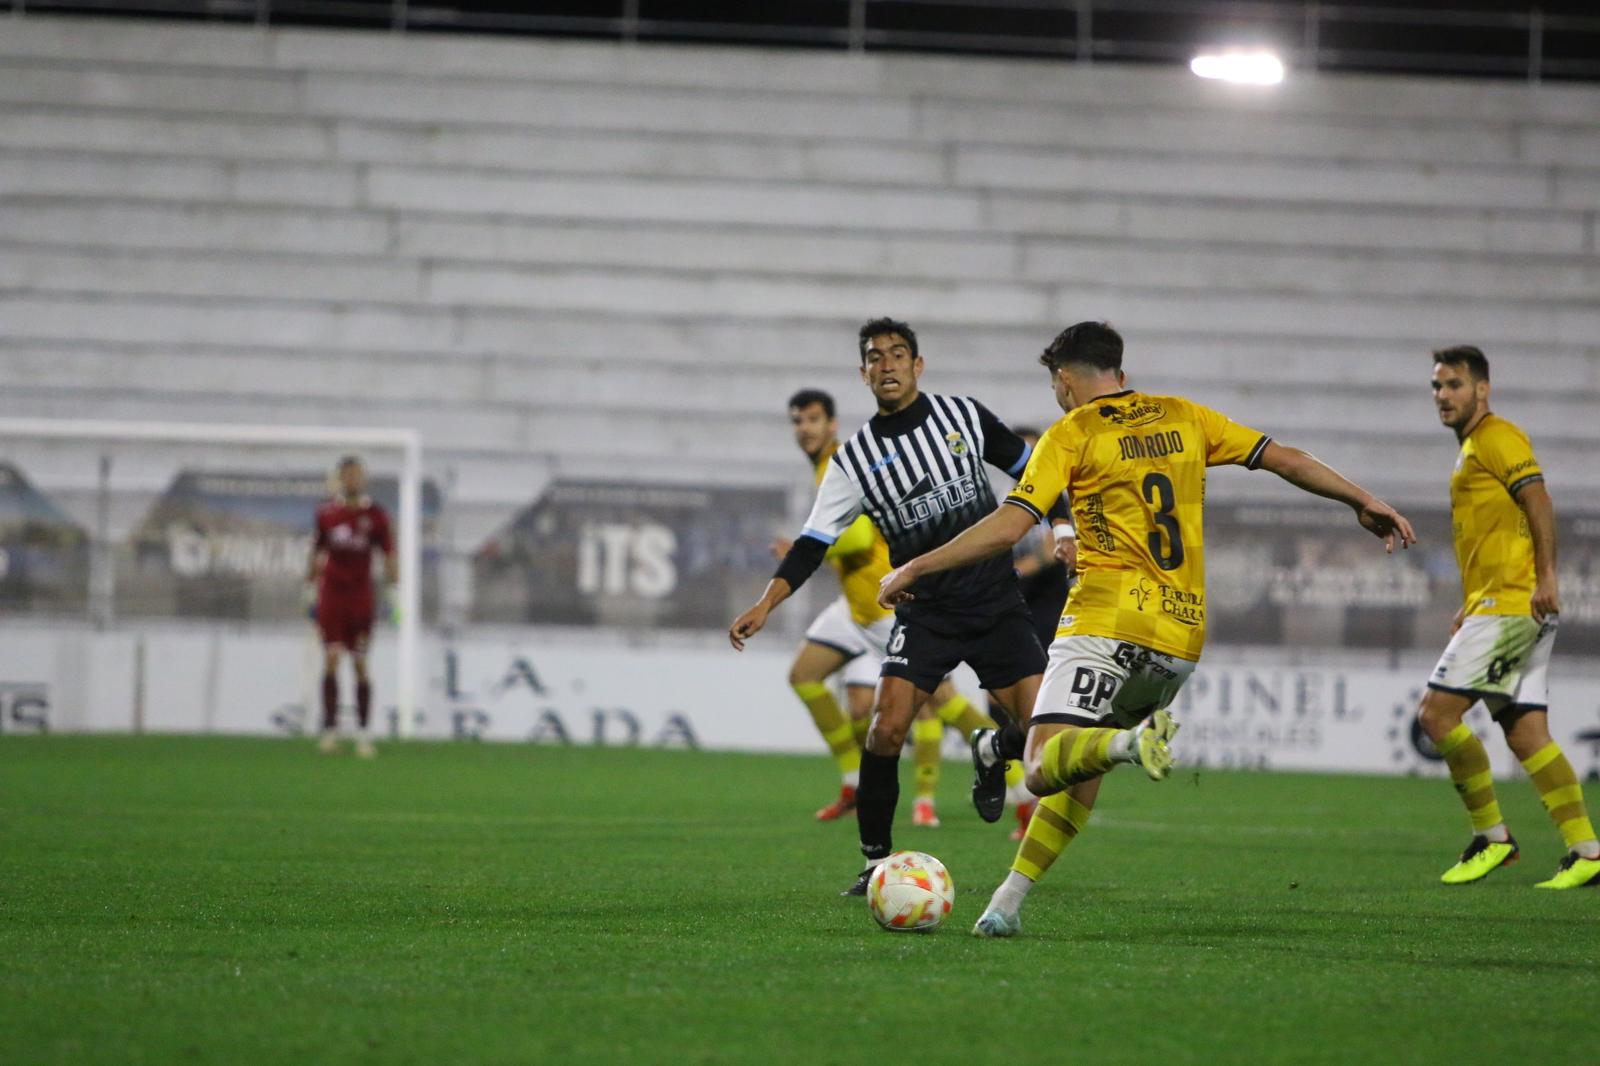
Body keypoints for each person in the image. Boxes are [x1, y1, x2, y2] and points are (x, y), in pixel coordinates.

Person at [877, 321, 1415, 935]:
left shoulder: (1072, 431)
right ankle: (1006, 904)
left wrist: (916, 565)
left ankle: (1130, 746)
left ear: (1063, 381)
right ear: (1121, 375)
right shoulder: (1186, 416)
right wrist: (1360, 500)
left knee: (1042, 764)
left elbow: (1007, 526)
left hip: (1106, 620)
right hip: (1180, 638)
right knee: (1083, 767)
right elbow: (1284, 458)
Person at [731, 317, 1045, 895]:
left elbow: (1037, 474)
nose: (888, 364)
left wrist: (1070, 531)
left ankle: (989, 747)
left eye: (898, 354)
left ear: (917, 365)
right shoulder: (854, 460)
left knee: (1038, 738)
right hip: (925, 611)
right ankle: (876, 860)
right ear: (864, 373)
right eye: (875, 357)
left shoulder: (965, 417)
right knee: (885, 728)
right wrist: (766, 601)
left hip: (996, 600)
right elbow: (811, 543)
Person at [1416, 346, 1598, 889]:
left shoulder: (1497, 436)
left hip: (1515, 605)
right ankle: (1587, 850)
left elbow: (1538, 501)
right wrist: (1473, 601)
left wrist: (1546, 578)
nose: (1443, 396)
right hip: (1504, 603)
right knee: (1527, 736)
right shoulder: (1474, 446)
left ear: (1482, 390)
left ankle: (1491, 836)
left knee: (1436, 716)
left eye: (1453, 385)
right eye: (1436, 386)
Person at [778, 388, 998, 825]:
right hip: (854, 608)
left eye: (813, 420)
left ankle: (1016, 775)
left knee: (943, 702)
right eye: (798, 421)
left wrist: (804, 549)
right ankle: (853, 783)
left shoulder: (838, 465)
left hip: (885, 606)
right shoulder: (825, 466)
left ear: (832, 424)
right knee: (805, 676)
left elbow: (858, 538)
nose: (804, 429)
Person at [307, 456, 395, 758]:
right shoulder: (327, 514)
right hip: (332, 595)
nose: (353, 480)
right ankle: (331, 731)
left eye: (357, 475)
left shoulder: (377, 516)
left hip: (361, 597)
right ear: (340, 479)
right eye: (348, 475)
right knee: (331, 659)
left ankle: (364, 734)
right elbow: (317, 552)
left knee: (359, 663)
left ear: (364, 479)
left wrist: (393, 594)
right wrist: (309, 590)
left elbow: (388, 554)